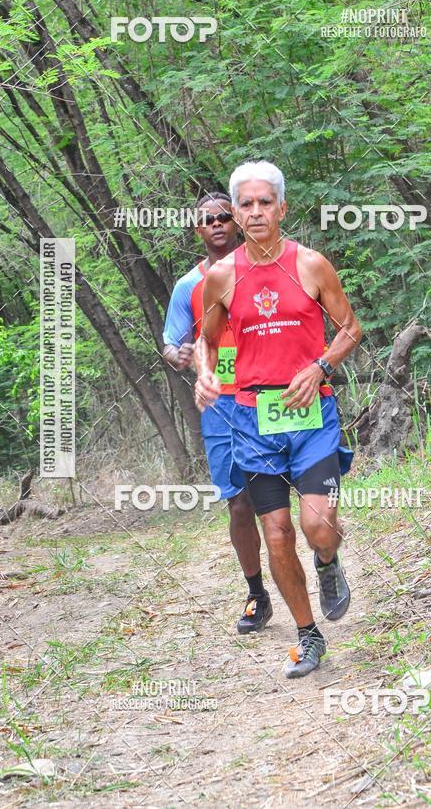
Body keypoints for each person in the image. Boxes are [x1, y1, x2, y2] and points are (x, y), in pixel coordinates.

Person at [195, 163, 362, 678]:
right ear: (237, 213)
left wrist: (320, 366)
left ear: (282, 208)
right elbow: (206, 339)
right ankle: (309, 636)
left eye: (264, 202)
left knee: (317, 526)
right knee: (278, 533)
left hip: (312, 414)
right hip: (252, 419)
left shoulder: (311, 265)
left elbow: (351, 329)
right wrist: (205, 374)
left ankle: (328, 563)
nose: (255, 211)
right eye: (245, 204)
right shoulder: (222, 277)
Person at [163, 192, 272, 634]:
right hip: (221, 404)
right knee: (240, 502)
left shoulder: (270, 269)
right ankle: (256, 594)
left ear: (239, 219)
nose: (218, 224)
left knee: (287, 495)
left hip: (271, 395)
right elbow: (170, 342)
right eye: (208, 219)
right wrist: (179, 353)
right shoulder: (190, 285)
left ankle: (325, 559)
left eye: (225, 215)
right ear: (198, 230)